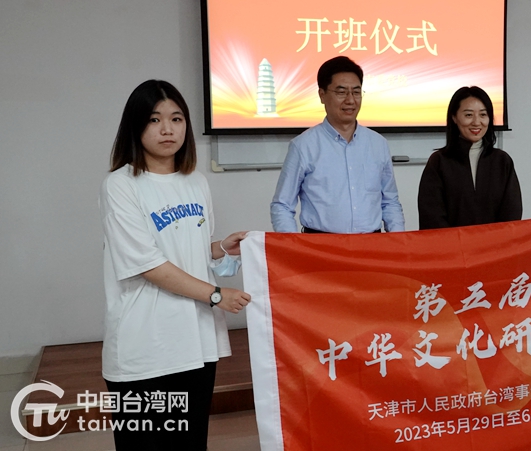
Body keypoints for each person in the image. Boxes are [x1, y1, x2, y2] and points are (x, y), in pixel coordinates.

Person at [99, 79, 251, 450]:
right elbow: (149, 265)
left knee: (191, 443)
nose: (167, 129)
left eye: (177, 119)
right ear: (136, 126)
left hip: (195, 341)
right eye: (155, 119)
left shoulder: (195, 182)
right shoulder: (120, 185)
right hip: (146, 345)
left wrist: (219, 248)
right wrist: (216, 295)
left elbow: (185, 248)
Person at [270, 56, 405, 233]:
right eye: (341, 92)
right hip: (321, 244)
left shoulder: (378, 144)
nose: (350, 100)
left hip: (371, 243)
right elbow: (282, 205)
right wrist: (294, 246)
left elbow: (390, 202)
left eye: (356, 92)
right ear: (322, 95)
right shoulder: (304, 146)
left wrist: (398, 242)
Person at [417, 86, 522, 229]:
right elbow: (431, 216)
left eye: (483, 114)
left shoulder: (502, 161)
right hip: (451, 243)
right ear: (454, 117)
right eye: (468, 115)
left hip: (495, 242)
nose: (477, 122)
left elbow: (511, 214)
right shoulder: (439, 161)